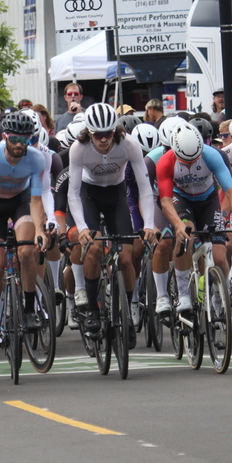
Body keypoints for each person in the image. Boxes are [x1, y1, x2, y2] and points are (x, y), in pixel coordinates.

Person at [68, 103, 156, 335]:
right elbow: (73, 193)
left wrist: (148, 224)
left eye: (108, 134)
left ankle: (126, 308)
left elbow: (145, 188)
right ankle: (92, 310)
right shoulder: (79, 148)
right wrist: (83, 227)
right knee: (94, 248)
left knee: (126, 259)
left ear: (114, 131)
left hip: (117, 195)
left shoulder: (129, 145)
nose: (104, 140)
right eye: (98, 135)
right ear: (89, 131)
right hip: (89, 195)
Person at [0, 111, 49, 352]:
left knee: (26, 252)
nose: (18, 144)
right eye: (14, 139)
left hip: (20, 201)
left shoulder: (35, 159)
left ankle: (28, 311)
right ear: (5, 137)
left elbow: (36, 200)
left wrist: (40, 230)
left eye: (24, 140)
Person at [157, 121, 232, 314]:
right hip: (180, 199)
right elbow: (165, 201)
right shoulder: (166, 161)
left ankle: (218, 294)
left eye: (194, 159)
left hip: (208, 200)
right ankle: (182, 294)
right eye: (185, 161)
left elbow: (231, 192)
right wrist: (177, 225)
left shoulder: (212, 155)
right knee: (186, 237)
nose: (190, 163)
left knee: (219, 257)